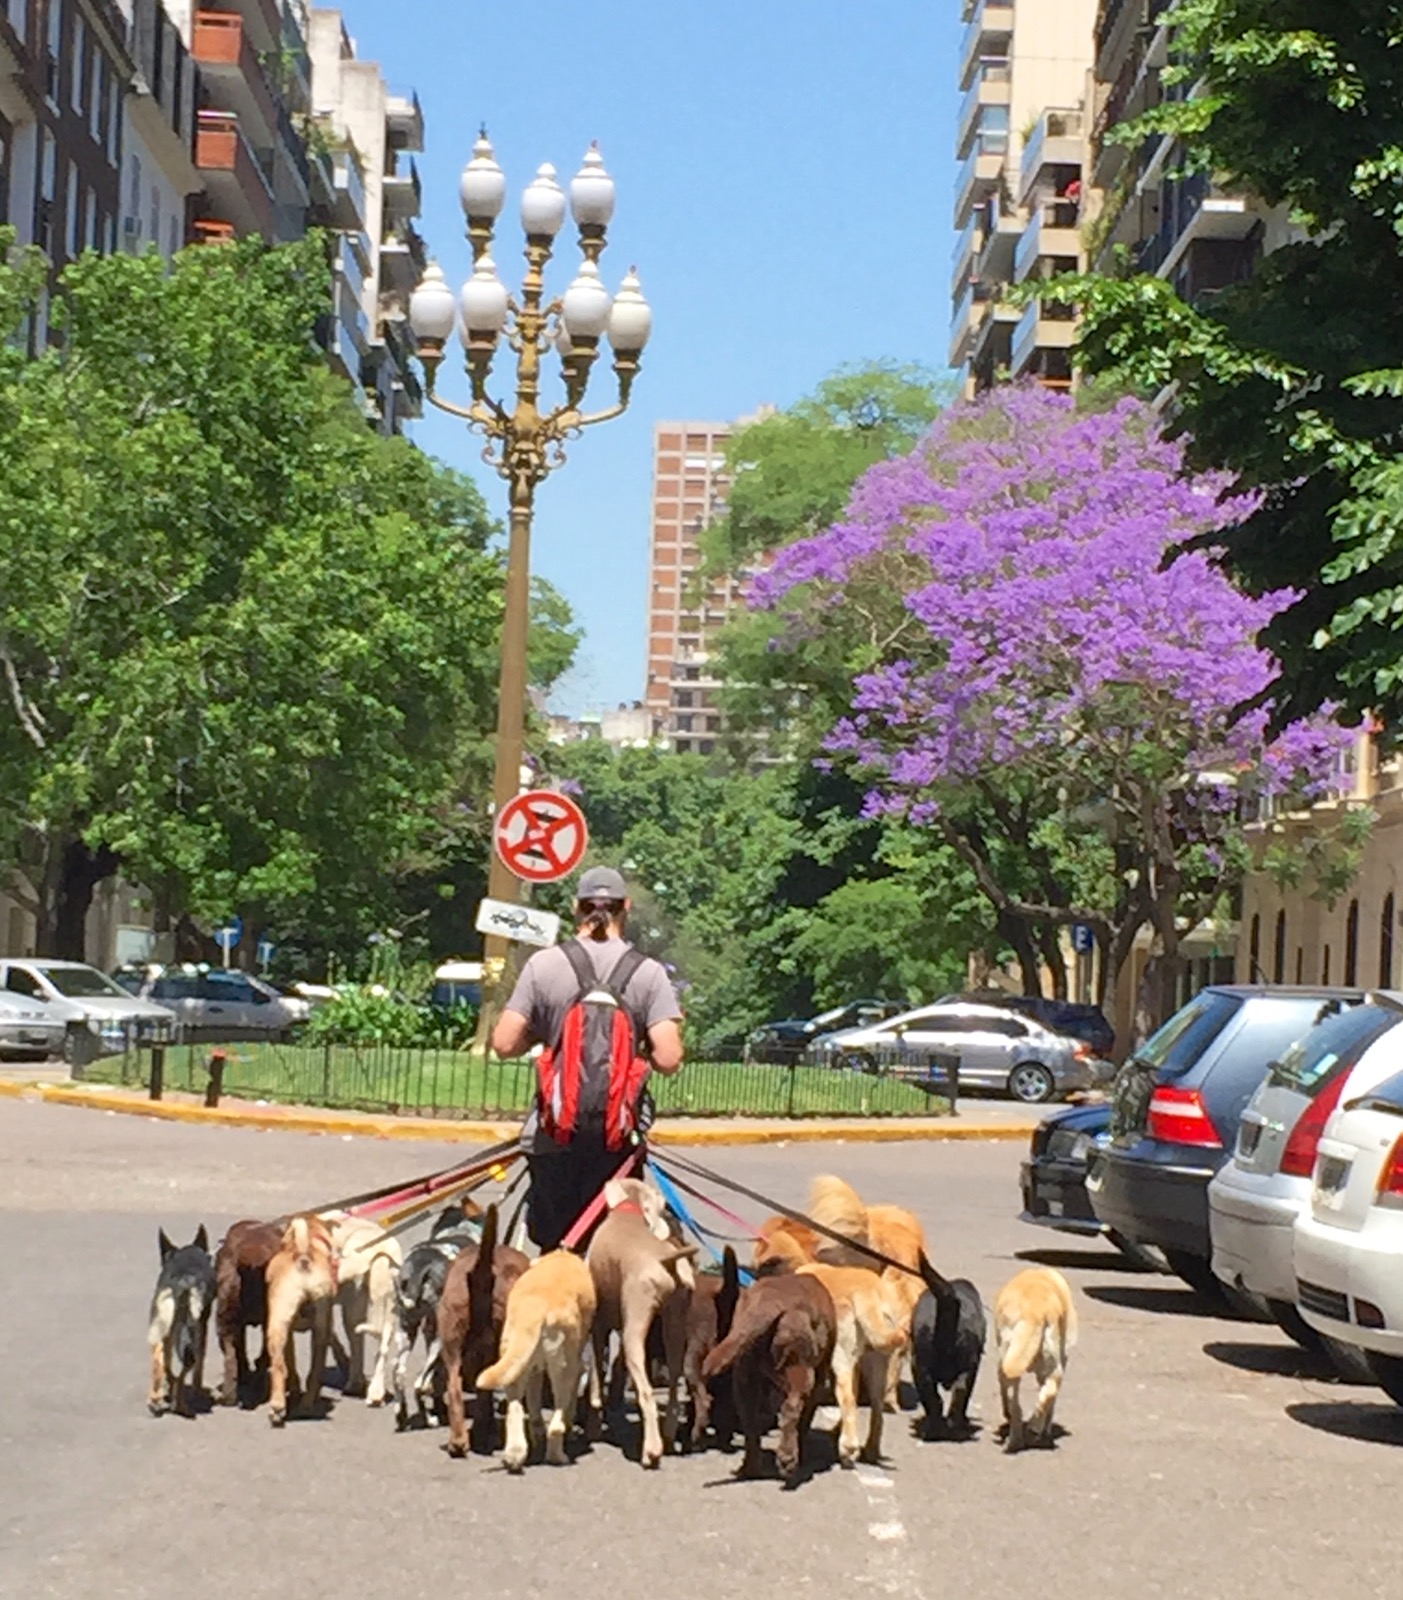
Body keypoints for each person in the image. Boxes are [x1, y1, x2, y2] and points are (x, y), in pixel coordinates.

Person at [493, 865, 683, 1250]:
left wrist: (546, 1031)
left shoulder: (543, 966)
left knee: (554, 1245)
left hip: (553, 1136)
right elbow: (669, 1058)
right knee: (606, 1245)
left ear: (576, 907)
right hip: (617, 1142)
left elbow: (503, 1042)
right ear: (625, 907)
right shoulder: (647, 974)